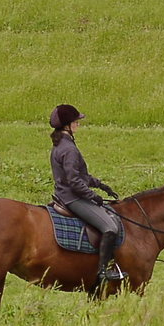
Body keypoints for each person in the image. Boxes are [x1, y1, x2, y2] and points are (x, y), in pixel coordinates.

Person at [49, 104, 125, 284]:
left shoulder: (62, 144)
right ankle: (103, 272)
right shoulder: (69, 149)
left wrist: (101, 185)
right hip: (73, 198)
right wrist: (93, 196)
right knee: (110, 227)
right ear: (67, 125)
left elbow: (81, 175)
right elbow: (74, 181)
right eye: (76, 122)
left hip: (64, 194)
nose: (78, 124)